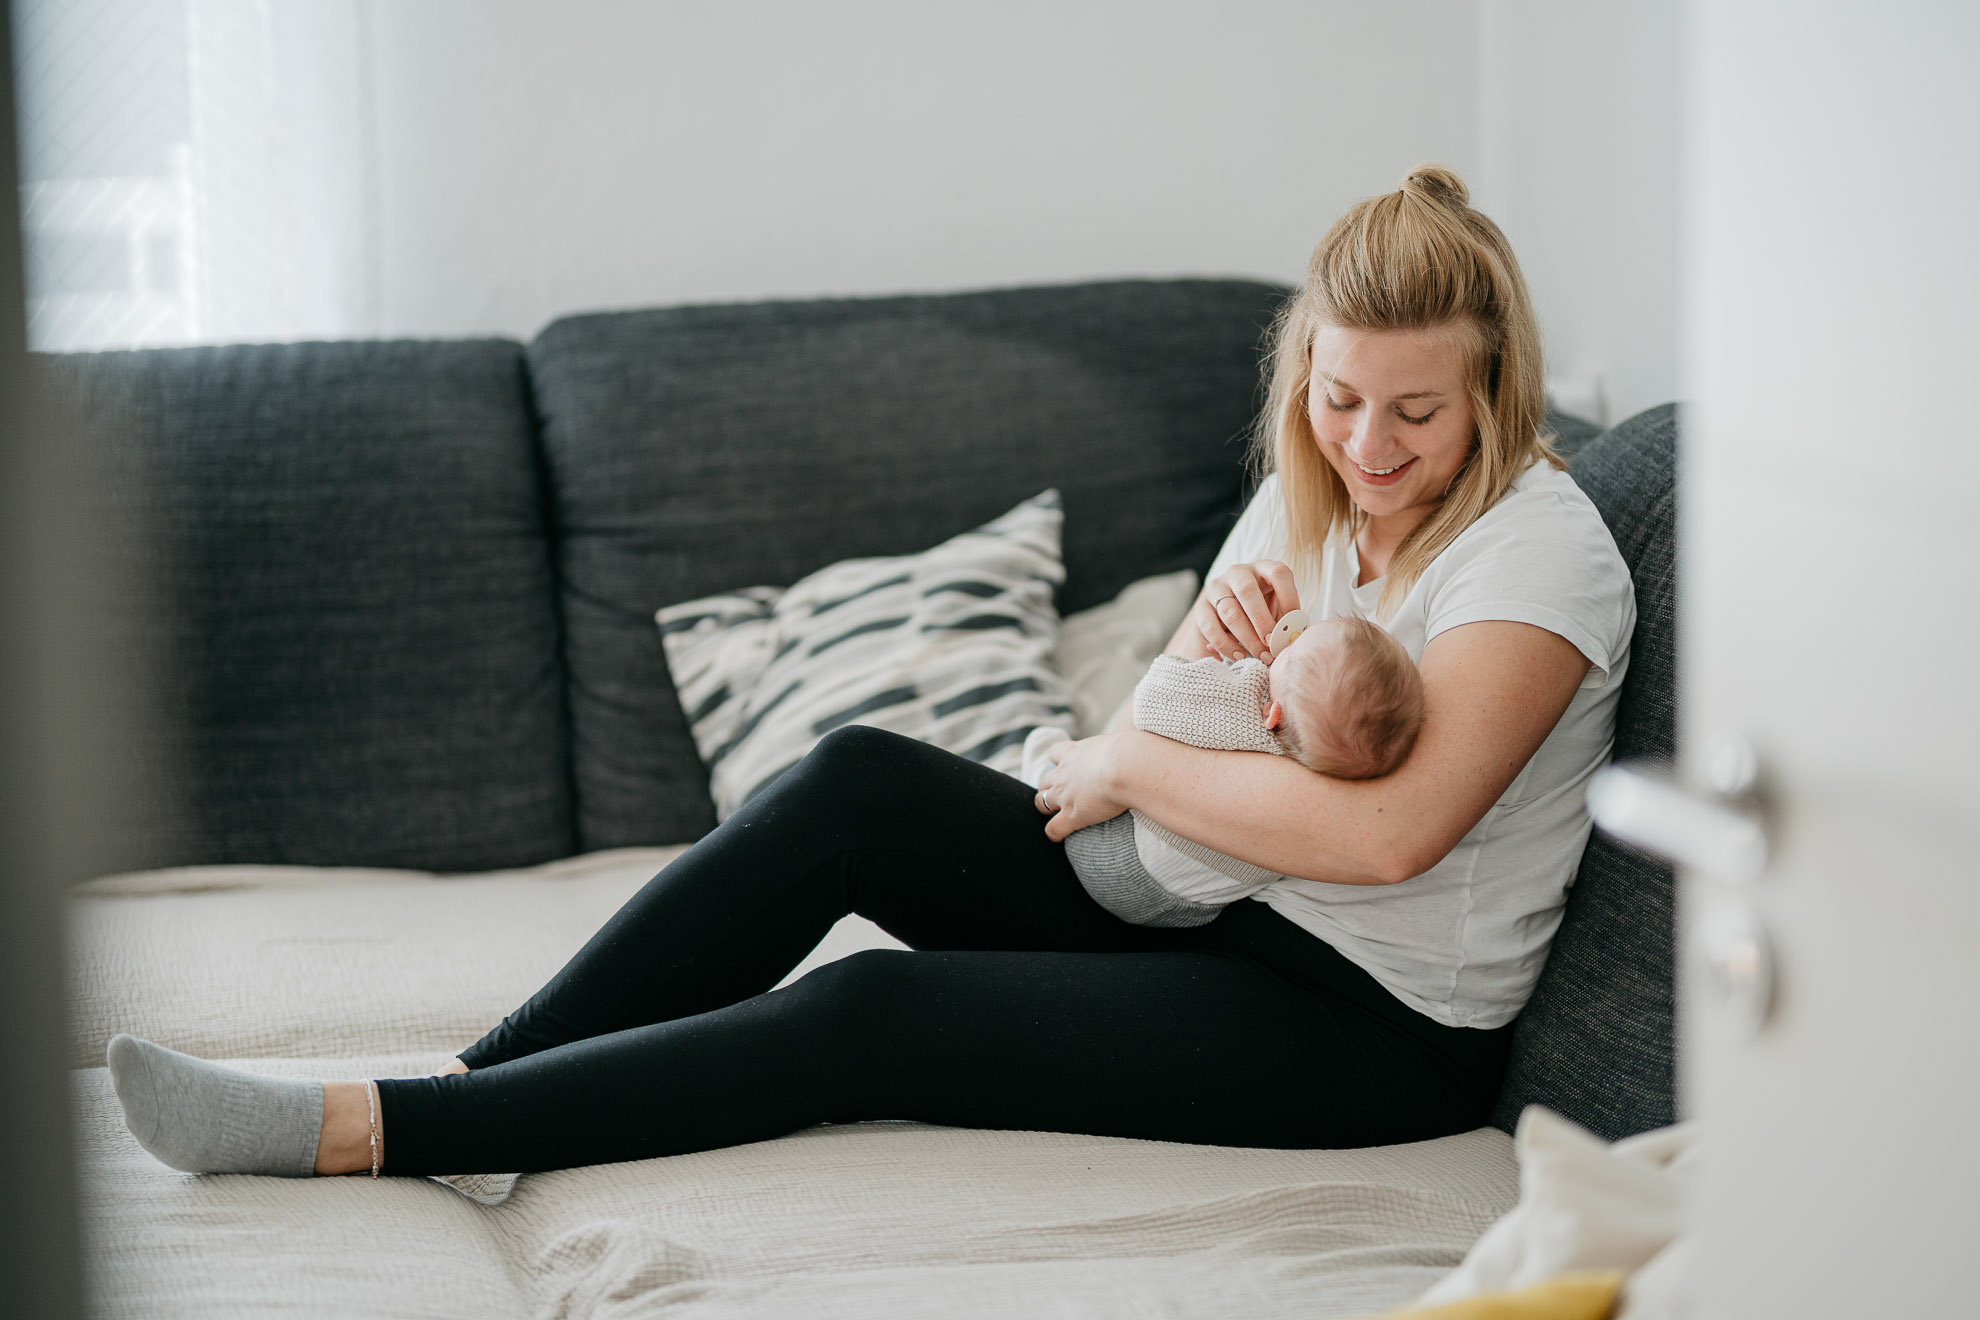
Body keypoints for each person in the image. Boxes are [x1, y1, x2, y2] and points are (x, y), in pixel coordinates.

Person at [105, 164, 1635, 1180]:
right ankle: (490, 1083)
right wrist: (1156, 751)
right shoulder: (1320, 491)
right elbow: (1164, 736)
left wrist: (1132, 767)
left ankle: (378, 1132)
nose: (1369, 453)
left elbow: (1387, 834)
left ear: (1499, 387)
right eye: (1340, 401)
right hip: (1213, 901)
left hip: (1370, 1026)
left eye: (1416, 417)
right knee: (856, 783)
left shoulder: (1538, 555)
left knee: (872, 1015)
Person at [1020, 614, 1424, 928]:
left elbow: (1152, 699)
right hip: (1182, 912)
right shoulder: (1323, 788)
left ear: (1273, 713)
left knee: (1051, 747)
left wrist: (1215, 659)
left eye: (1291, 654)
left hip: (1111, 857)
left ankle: (1036, 760)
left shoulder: (1242, 706)